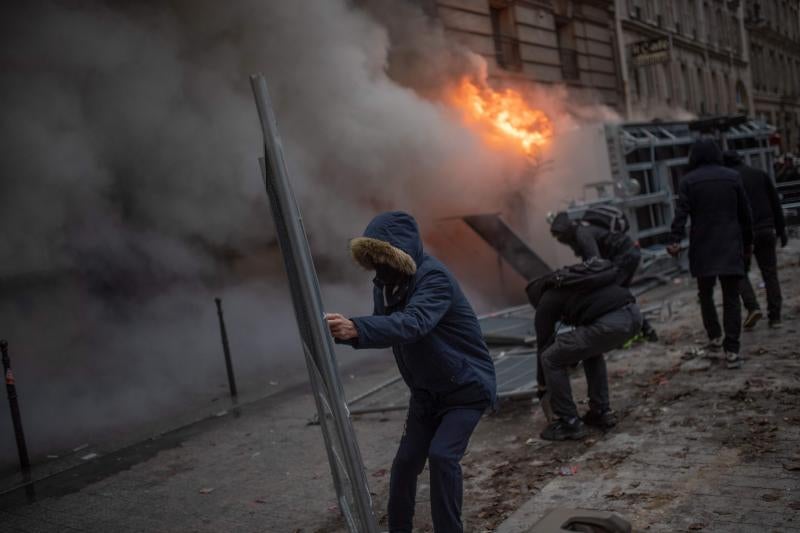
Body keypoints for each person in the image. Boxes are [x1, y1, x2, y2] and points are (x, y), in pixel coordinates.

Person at [325, 211, 496, 533]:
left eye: (383, 257)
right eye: (372, 259)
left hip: (466, 388)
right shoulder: (386, 285)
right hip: (426, 394)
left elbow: (414, 323)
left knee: (443, 458)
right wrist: (347, 332)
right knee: (404, 465)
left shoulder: (434, 278)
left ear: (400, 253)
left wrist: (357, 327)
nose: (379, 267)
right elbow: (387, 330)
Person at [529, 259, 642, 441]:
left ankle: (569, 422)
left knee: (550, 358)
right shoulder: (573, 283)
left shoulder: (546, 300)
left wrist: (542, 387)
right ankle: (601, 411)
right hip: (634, 315)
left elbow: (544, 345)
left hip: (610, 323)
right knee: (590, 351)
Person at [667, 139, 753, 369]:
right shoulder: (732, 177)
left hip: (702, 246)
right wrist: (748, 244)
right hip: (729, 244)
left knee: (705, 294)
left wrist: (675, 240)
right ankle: (732, 350)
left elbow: (681, 214)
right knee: (731, 297)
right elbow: (745, 214)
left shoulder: (687, 181)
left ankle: (714, 335)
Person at [549, 210, 658, 342]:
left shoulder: (582, 234)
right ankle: (644, 330)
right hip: (626, 255)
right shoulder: (581, 229)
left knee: (614, 295)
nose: (560, 240)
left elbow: (595, 263)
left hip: (625, 256)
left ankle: (640, 330)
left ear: (566, 231)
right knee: (619, 295)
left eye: (560, 237)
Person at [723, 151, 788, 329]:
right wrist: (782, 231)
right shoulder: (760, 174)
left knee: (740, 272)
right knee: (770, 273)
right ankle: (775, 317)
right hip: (767, 230)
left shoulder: (730, 181)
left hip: (744, 235)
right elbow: (775, 203)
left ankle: (752, 307)